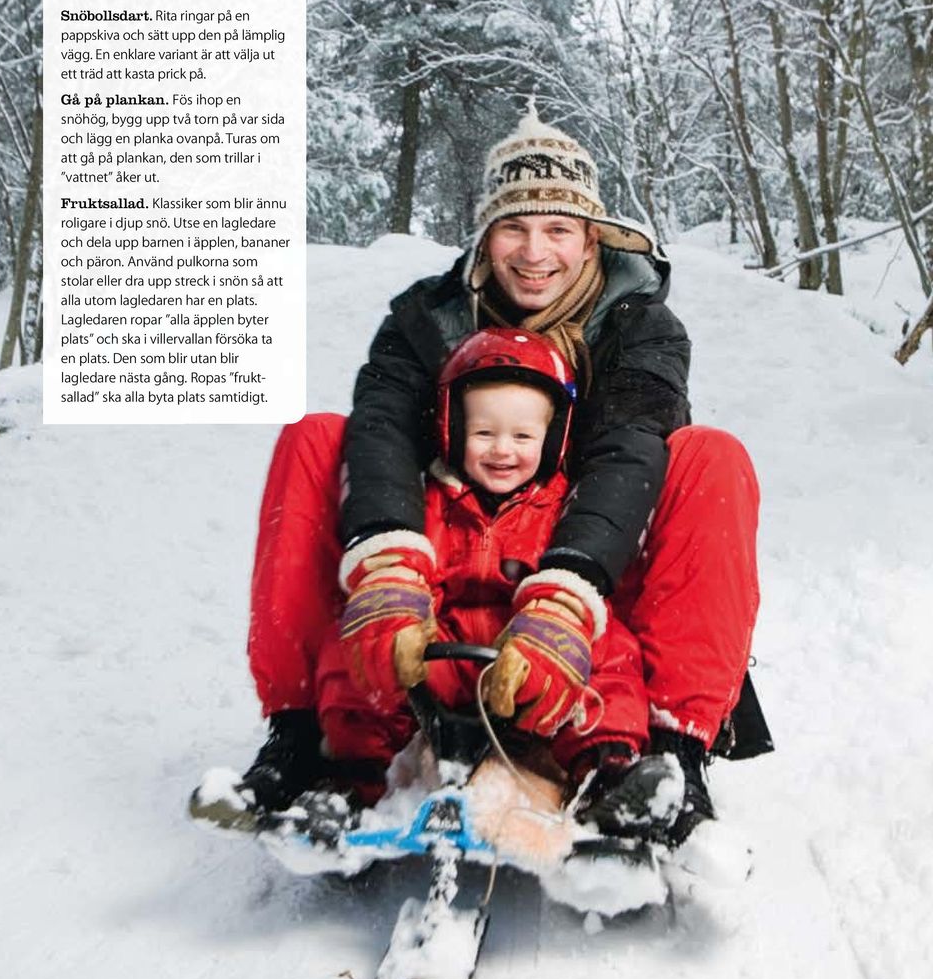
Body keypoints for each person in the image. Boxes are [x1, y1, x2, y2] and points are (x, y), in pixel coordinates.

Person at [222, 105, 761, 847]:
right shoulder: (425, 318)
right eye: (514, 227)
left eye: (559, 229)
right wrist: (386, 561)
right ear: (484, 234)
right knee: (317, 438)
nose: (534, 251)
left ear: (591, 236)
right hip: (447, 557)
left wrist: (568, 595)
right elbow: (379, 429)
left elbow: (631, 450)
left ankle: (671, 757)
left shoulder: (640, 326)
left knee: (712, 457)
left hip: (583, 573)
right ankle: (301, 739)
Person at [312, 327, 681, 839]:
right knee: (356, 641)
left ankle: (607, 770)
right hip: (443, 661)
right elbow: (423, 580)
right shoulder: (432, 502)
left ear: (552, 439)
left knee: (609, 649)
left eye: (523, 437)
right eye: (484, 433)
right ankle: (347, 779)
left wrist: (562, 621)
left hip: (530, 664)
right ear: (452, 428)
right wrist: (403, 611)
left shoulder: (562, 509)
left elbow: (581, 583)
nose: (502, 450)